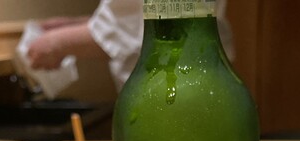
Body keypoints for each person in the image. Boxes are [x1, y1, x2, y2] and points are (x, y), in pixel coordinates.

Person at [28, 0, 232, 91]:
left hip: (178, 87)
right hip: (180, 82)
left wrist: (58, 42)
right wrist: (82, 23)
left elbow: (158, 23)